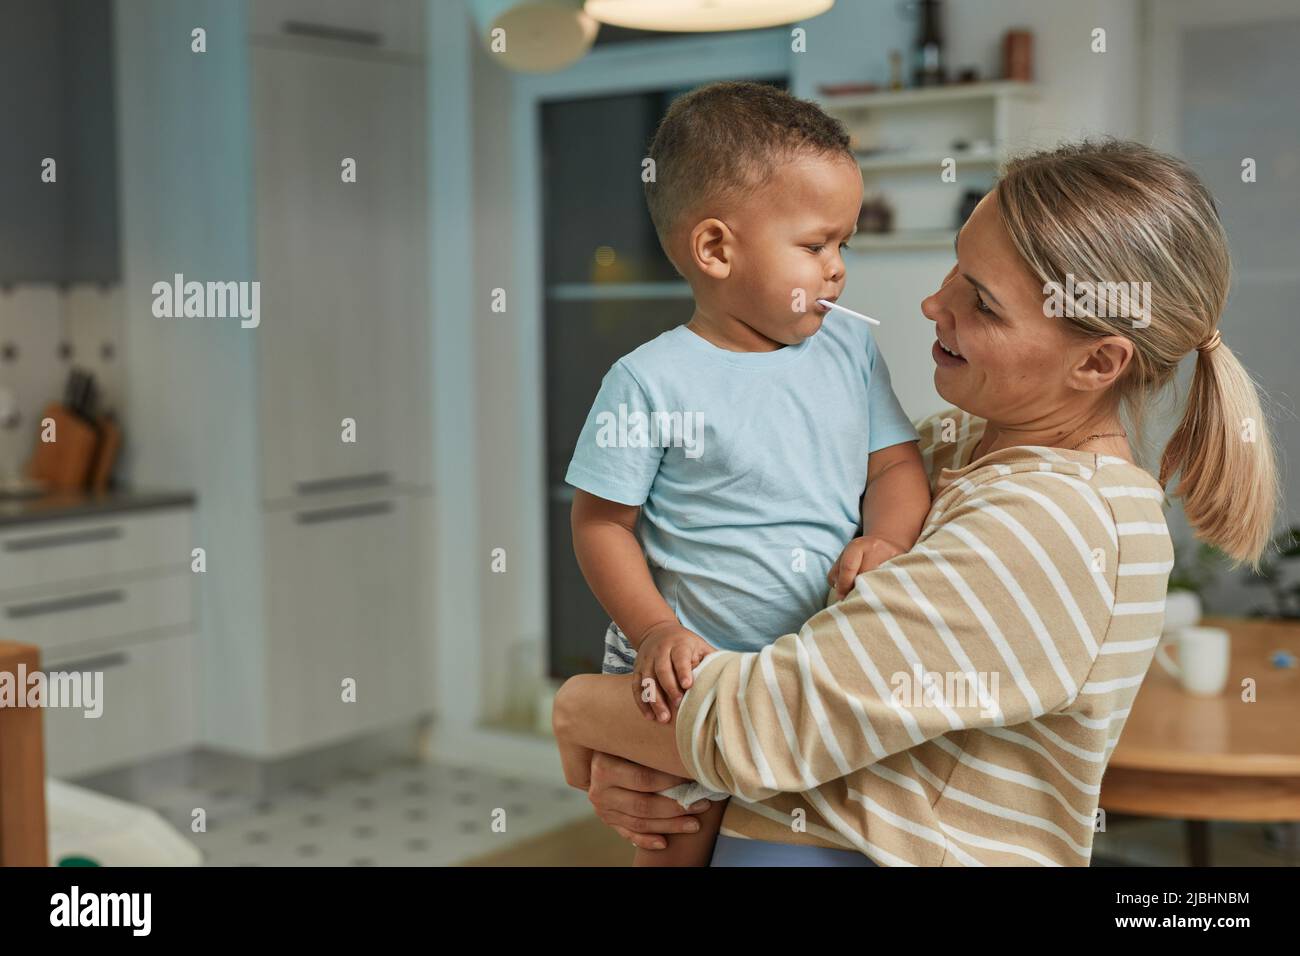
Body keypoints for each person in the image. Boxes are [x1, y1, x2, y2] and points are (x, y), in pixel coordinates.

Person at [553, 139, 1279, 866]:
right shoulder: (953, 448)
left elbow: (768, 724)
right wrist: (651, 769)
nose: (936, 303)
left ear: (1096, 362)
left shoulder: (1060, 528)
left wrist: (584, 712)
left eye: (983, 302)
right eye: (958, 267)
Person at [564, 82, 931, 865]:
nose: (837, 270)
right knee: (672, 849)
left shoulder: (849, 351)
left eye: (845, 244)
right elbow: (601, 523)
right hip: (683, 684)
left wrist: (890, 540)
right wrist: (655, 629)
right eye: (815, 245)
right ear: (717, 250)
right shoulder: (649, 381)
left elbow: (895, 462)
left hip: (803, 679)